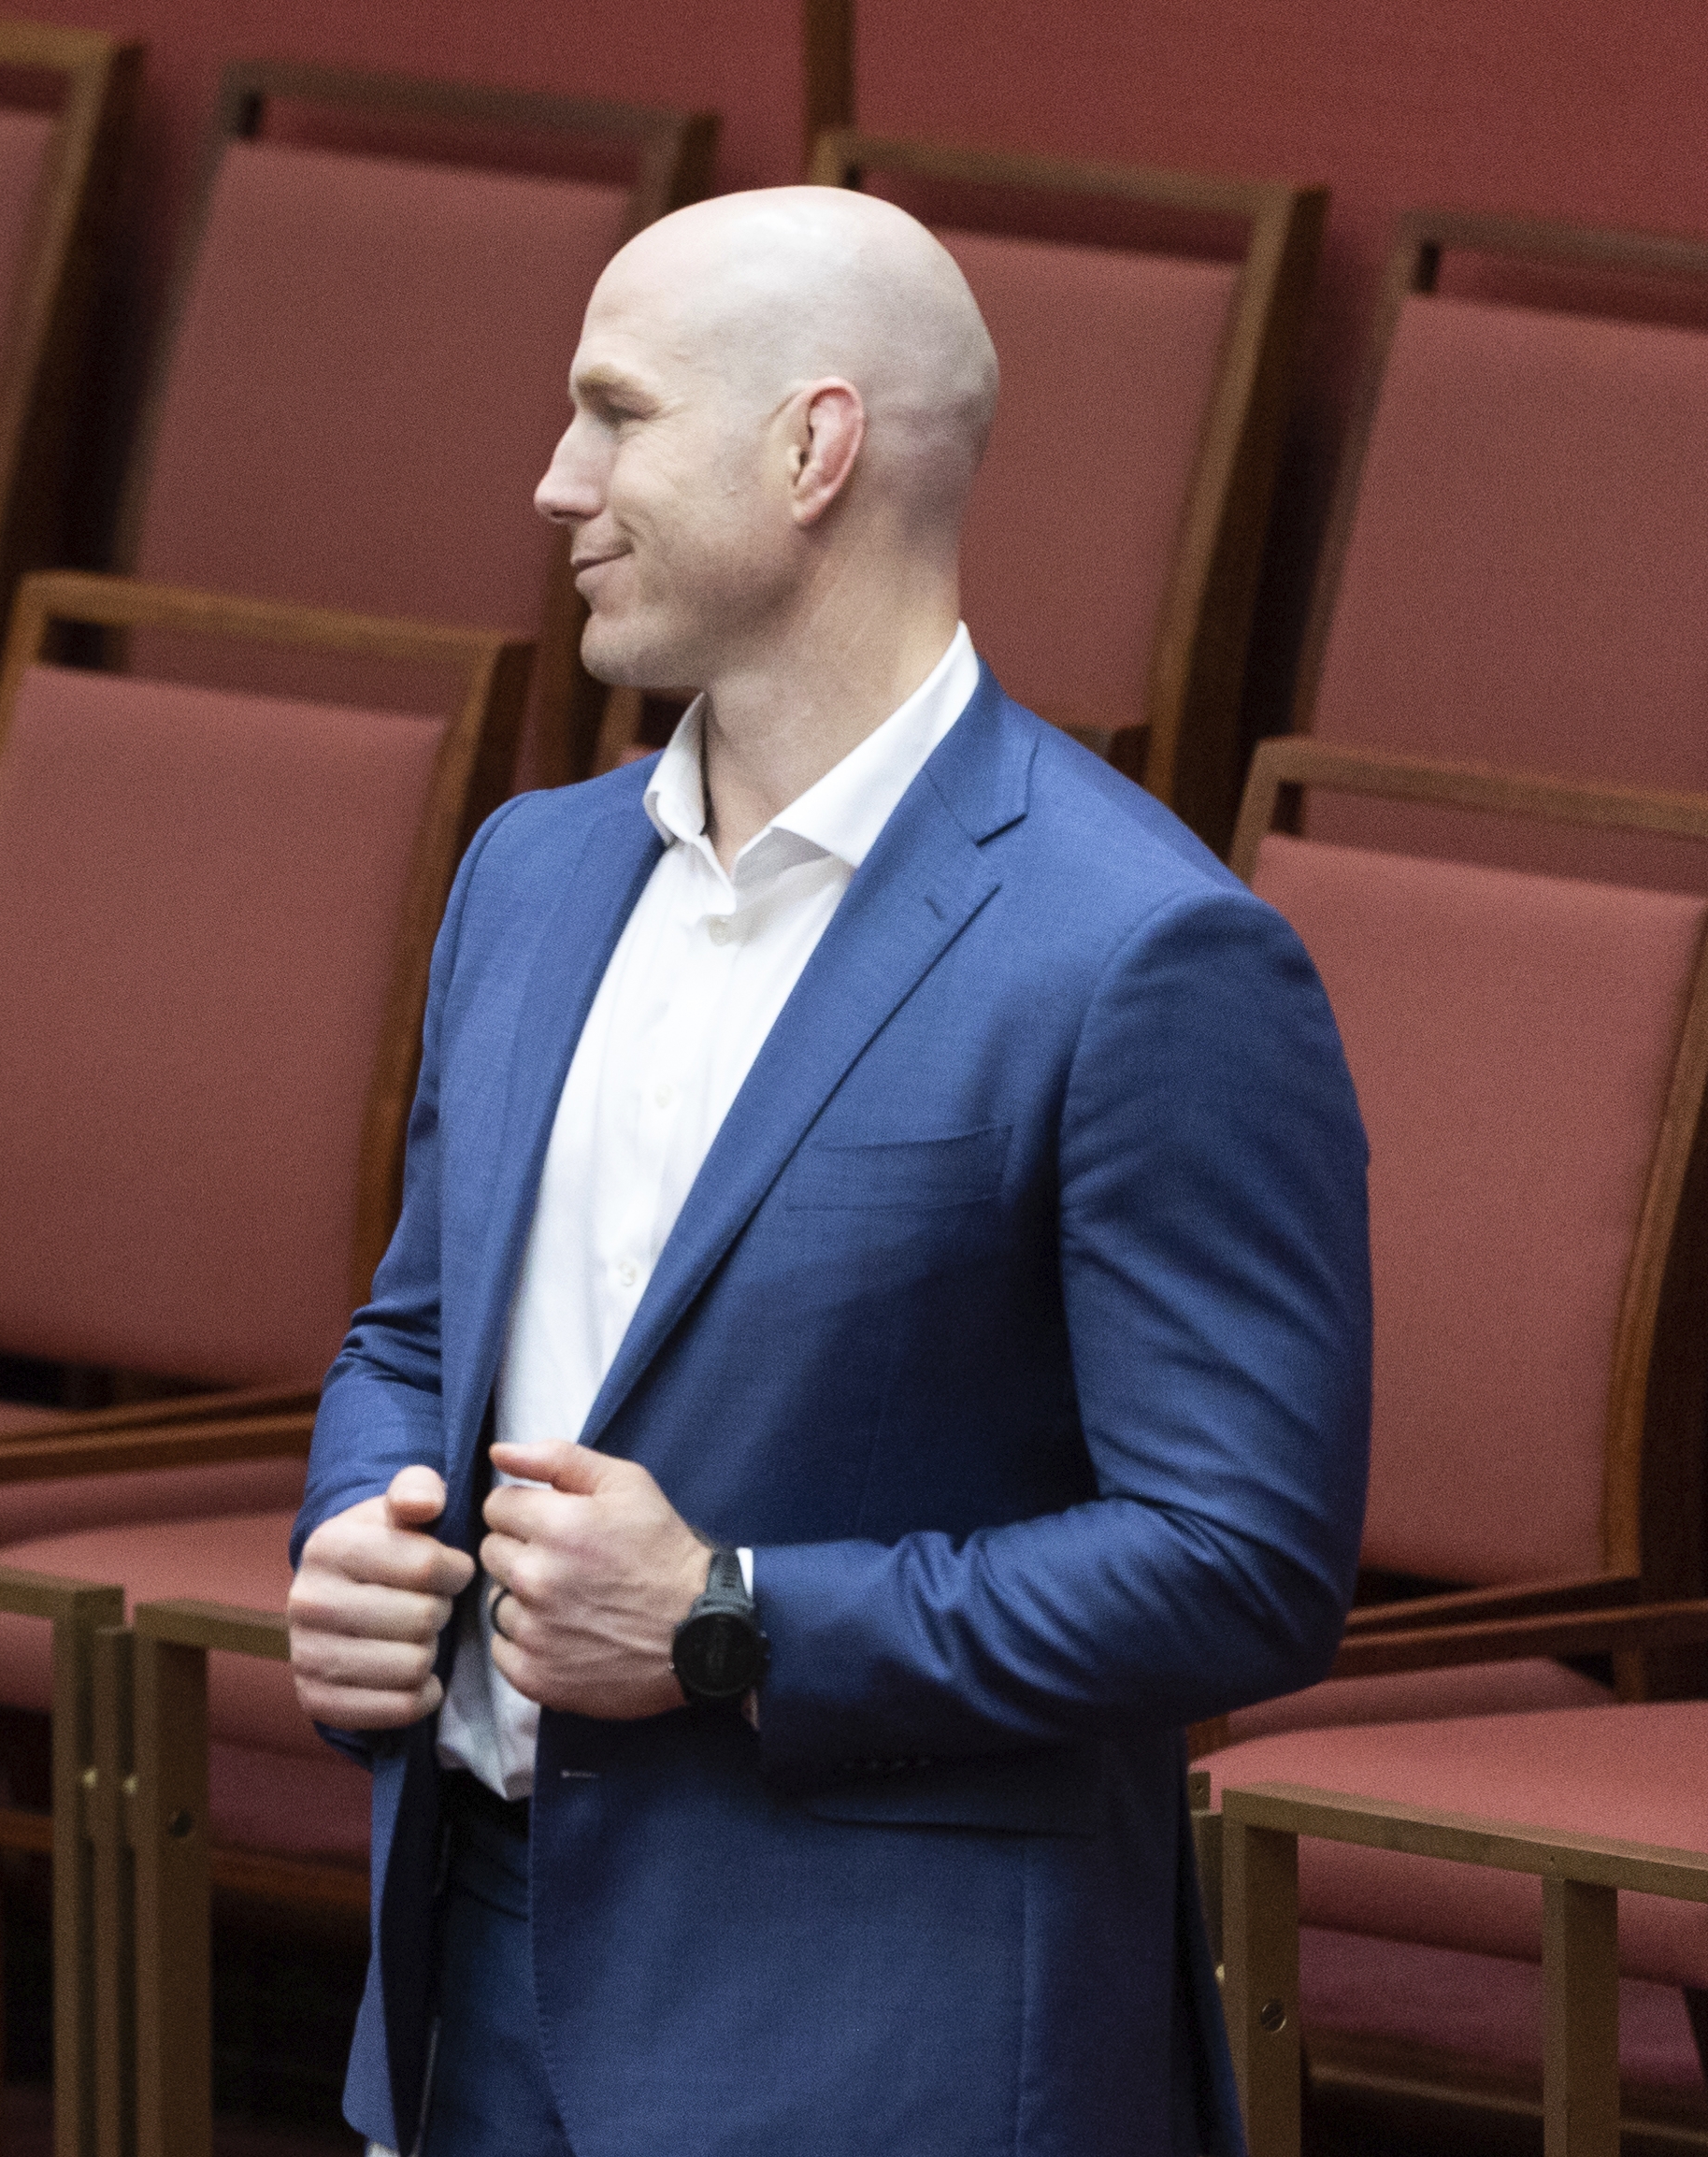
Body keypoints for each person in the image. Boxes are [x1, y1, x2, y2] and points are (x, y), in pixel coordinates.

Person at [285, 187, 1369, 2155]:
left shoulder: (1139, 949)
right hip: (473, 1987)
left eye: (612, 415)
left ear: (811, 446)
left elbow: (1242, 1563)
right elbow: (414, 1325)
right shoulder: (530, 872)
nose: (552, 481)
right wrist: (358, 1528)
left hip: (894, 2041)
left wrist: (728, 1615)